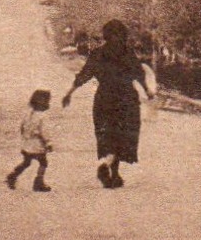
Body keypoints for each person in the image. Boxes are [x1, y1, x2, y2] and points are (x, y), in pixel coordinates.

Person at [64, 19, 154, 188]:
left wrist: (69, 93)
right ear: (123, 35)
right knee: (122, 135)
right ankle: (111, 169)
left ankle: (111, 169)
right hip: (126, 99)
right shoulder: (128, 53)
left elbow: (84, 74)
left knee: (107, 135)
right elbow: (138, 73)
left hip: (104, 99)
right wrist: (147, 90)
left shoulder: (98, 54)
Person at [6, 89, 54, 192]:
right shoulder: (42, 116)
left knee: (26, 162)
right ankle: (39, 182)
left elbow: (22, 126)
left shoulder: (28, 114)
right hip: (37, 145)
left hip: (27, 143)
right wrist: (48, 143)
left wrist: (25, 137)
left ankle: (13, 175)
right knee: (43, 162)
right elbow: (43, 132)